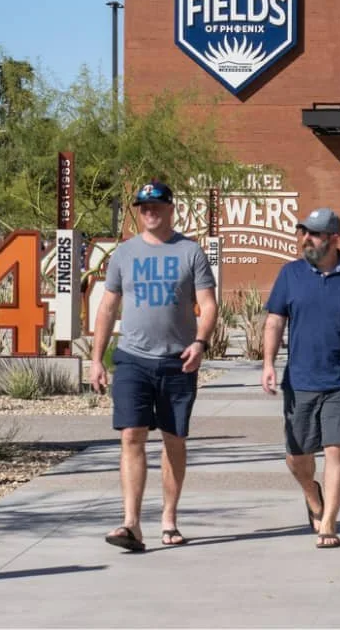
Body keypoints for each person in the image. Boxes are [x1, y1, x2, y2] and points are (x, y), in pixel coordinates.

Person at [88, 180, 219, 553]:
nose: (149, 212)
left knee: (174, 440)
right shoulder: (124, 254)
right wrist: (96, 358)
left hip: (178, 360)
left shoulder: (189, 252)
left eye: (156, 206)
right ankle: (131, 523)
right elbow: (107, 307)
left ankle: (169, 518)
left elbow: (208, 305)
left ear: (170, 209)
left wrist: (199, 342)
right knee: (131, 435)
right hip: (132, 358)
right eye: (143, 207)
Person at [261, 207, 340, 550]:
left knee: (336, 448)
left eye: (314, 234)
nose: (306, 239)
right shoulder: (290, 274)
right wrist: (269, 362)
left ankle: (329, 520)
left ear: (334, 238)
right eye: (304, 232)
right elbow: (274, 321)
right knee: (297, 457)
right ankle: (312, 495)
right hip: (300, 379)